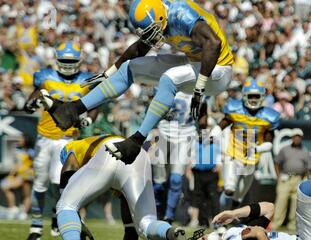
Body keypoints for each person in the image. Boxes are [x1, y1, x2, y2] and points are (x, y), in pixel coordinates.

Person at [45, 0, 234, 167]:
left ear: (161, 17)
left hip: (219, 70)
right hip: (196, 62)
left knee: (170, 78)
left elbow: (214, 43)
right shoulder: (158, 18)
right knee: (130, 67)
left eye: (152, 32)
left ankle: (136, 140)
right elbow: (139, 48)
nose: (151, 38)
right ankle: (72, 110)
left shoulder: (181, 15)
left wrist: (199, 88)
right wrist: (109, 72)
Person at [48, 134, 190, 240]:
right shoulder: (100, 156)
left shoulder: (73, 146)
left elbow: (70, 166)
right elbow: (130, 224)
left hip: (108, 151)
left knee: (64, 205)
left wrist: (74, 217)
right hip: (137, 155)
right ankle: (171, 233)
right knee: (145, 224)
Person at [23, 41, 98, 240]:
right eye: (64, 60)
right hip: (44, 137)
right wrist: (32, 104)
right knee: (39, 183)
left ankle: (58, 215)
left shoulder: (85, 79)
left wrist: (89, 119)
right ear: (57, 60)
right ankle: (36, 227)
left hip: (67, 139)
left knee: (60, 183)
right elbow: (28, 104)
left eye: (70, 60)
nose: (67, 64)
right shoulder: (45, 76)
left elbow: (96, 103)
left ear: (79, 61)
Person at [211, 79, 280, 211]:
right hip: (233, 154)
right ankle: (219, 220)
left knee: (239, 195)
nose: (253, 99)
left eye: (256, 96)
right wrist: (214, 134)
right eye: (251, 96)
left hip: (251, 159)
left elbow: (269, 143)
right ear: (244, 96)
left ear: (262, 97)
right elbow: (223, 123)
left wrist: (256, 148)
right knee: (229, 189)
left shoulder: (268, 117)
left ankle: (229, 220)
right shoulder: (235, 109)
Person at [151, 92, 197, 224]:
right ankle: (158, 212)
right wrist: (152, 132)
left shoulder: (198, 86)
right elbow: (153, 108)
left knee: (176, 179)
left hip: (185, 137)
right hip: (163, 135)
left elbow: (202, 113)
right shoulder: (168, 83)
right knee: (159, 182)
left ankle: (169, 216)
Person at [272, 128, 311, 231]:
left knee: (296, 204)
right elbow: (277, 162)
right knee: (281, 202)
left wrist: (305, 179)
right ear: (292, 137)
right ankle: (276, 225)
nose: (297, 138)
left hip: (298, 178)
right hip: (285, 178)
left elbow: (308, 167)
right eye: (295, 136)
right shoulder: (285, 149)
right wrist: (278, 176)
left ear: (301, 138)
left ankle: (292, 225)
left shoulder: (305, 151)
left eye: (299, 137)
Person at [0, 136, 34, 220]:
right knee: (5, 186)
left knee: (27, 194)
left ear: (26, 140)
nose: (19, 140)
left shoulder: (32, 152)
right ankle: (13, 208)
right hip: (19, 175)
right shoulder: (17, 151)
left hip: (27, 175)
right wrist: (11, 174)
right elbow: (16, 165)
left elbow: (34, 164)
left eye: (22, 139)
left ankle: (24, 213)